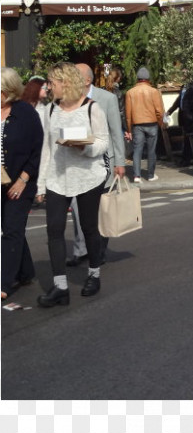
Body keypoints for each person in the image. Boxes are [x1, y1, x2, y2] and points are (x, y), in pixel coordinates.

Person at [36, 62, 110, 307]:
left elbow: (102, 143)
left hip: (89, 177)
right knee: (54, 230)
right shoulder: (49, 111)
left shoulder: (92, 108)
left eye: (52, 83)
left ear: (65, 83)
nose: (48, 87)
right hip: (58, 178)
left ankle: (94, 274)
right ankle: (61, 287)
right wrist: (40, 184)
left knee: (89, 228)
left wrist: (84, 146)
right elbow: (46, 149)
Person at [68, 63, 127, 267]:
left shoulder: (107, 98)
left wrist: (120, 162)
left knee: (102, 209)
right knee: (78, 209)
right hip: (79, 163)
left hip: (104, 162)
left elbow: (115, 131)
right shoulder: (68, 98)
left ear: (86, 80)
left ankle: (99, 250)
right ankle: (82, 249)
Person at [1, 68, 43, 301]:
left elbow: (36, 151)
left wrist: (23, 180)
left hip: (20, 182)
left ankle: (4, 281)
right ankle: (26, 271)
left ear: (8, 92)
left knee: (11, 231)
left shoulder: (25, 113)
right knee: (11, 228)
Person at [125, 66, 165, 183]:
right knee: (151, 150)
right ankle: (151, 175)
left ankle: (136, 176)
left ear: (137, 78)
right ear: (148, 79)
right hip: (152, 123)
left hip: (137, 125)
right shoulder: (154, 91)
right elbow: (159, 111)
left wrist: (129, 129)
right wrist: (160, 123)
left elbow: (128, 114)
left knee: (137, 150)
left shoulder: (130, 92)